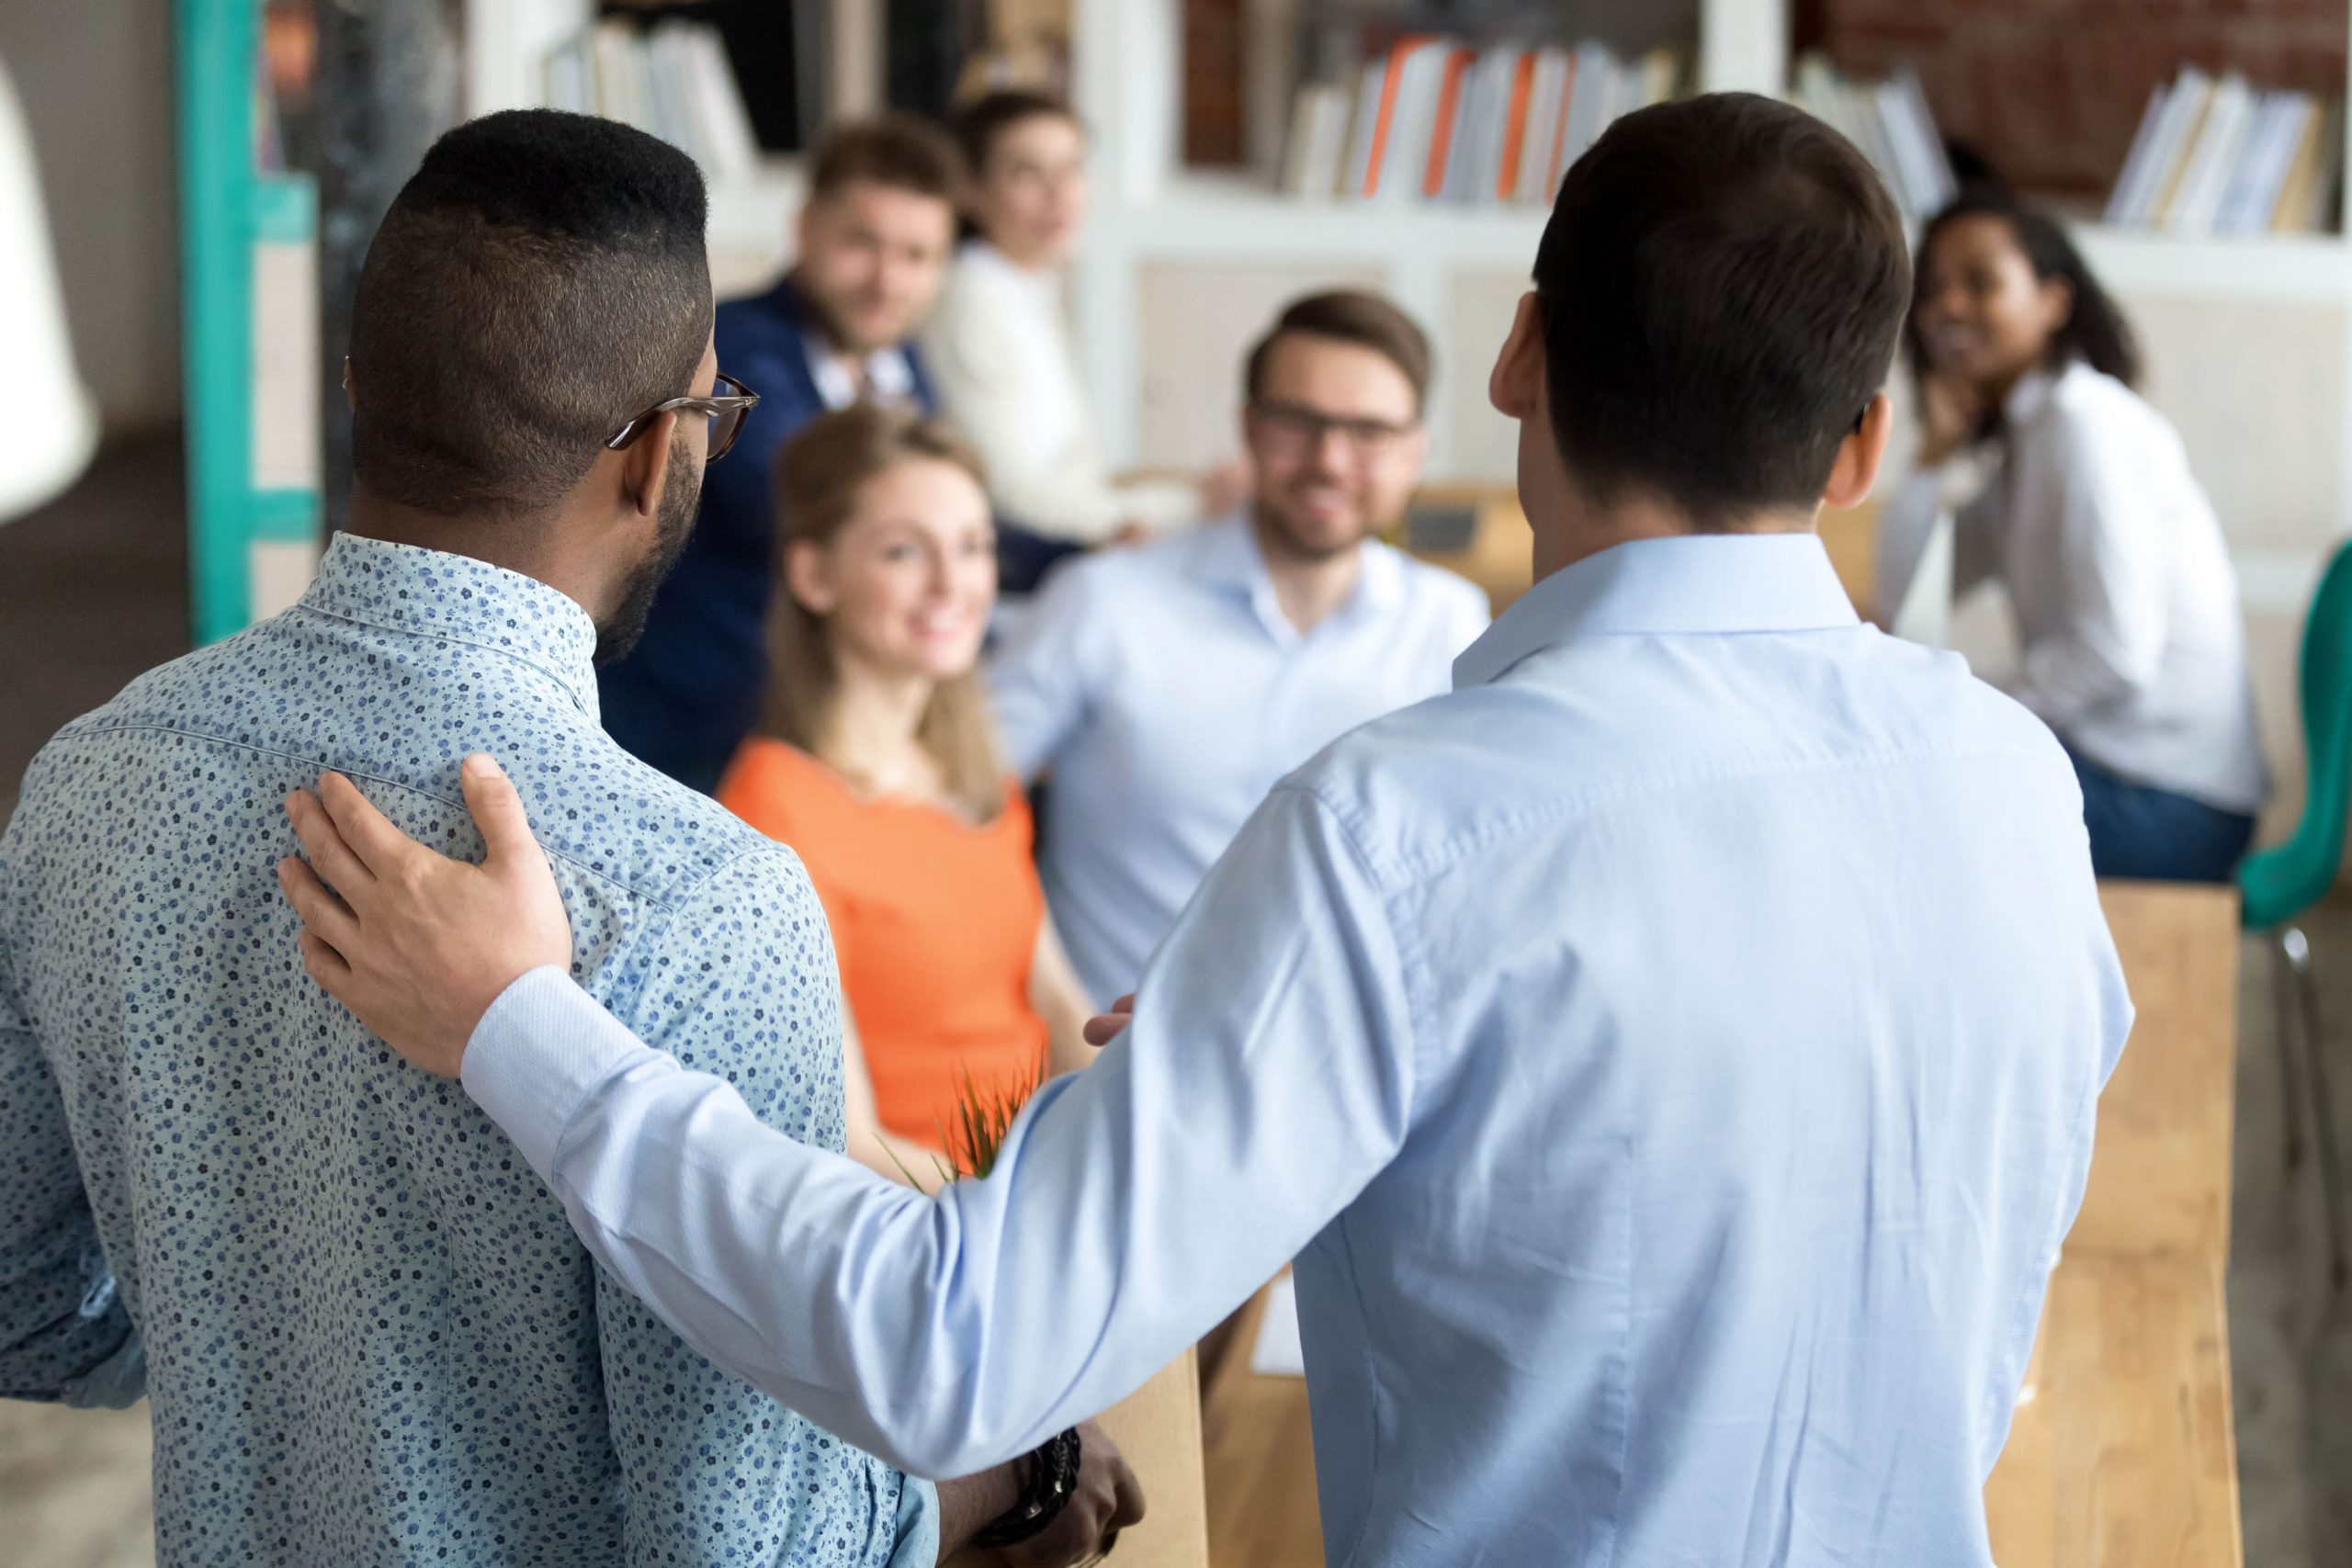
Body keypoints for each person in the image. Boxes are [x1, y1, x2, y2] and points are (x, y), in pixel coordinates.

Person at [280, 95, 2133, 1565]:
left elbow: (950, 1350)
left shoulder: (1406, 832)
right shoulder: (2012, 782)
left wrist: (517, 1024)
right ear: (1863, 443)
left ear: (1510, 359)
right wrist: (1347, 1074)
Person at [0, 109, 1136, 1566]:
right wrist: (1016, 1482)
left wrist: (280, 1364)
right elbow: (747, 1540)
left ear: (360, 389)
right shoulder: (699, 895)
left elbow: (25, 1304)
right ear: (661, 453)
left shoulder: (93, 780)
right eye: (718, 413)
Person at [989, 288, 1488, 1006]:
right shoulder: (1104, 602)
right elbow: (950, 806)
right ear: (1248, 427)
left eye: (1369, 433)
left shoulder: (1452, 625)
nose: (1329, 460)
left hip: (1360, 1071)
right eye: (1299, 422)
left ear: (1417, 452)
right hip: (1113, 1064)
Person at [717, 404, 1095, 1184]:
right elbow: (849, 1139)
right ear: (814, 574)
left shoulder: (976, 771)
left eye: (973, 547)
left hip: (1035, 1185)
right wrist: (1033, 1216)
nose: (952, 585)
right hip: (926, 1232)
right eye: (903, 552)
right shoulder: (775, 809)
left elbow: (1058, 1006)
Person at [1875, 188, 2267, 882]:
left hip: (2174, 803)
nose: (1947, 309)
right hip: (2114, 770)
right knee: (1901, 786)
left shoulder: (2088, 429)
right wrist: (1934, 451)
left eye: (1980, 282)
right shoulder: (2028, 443)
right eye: (1933, 289)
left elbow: (2116, 652)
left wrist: (1969, 706)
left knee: (1906, 806)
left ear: (2054, 301)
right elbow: (1902, 599)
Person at [600, 115, 961, 793]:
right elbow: (814, 504)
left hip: (804, 730)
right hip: (686, 735)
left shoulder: (900, 363)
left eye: (918, 257)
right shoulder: (732, 348)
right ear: (805, 228)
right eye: (863, 243)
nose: (888, 280)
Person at [922, 90, 1248, 589]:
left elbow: (1072, 471)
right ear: (971, 190)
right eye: (1028, 173)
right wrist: (1193, 504)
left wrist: (1189, 488)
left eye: (1072, 168)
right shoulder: (971, 304)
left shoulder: (1027, 286)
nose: (1061, 194)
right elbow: (1012, 499)